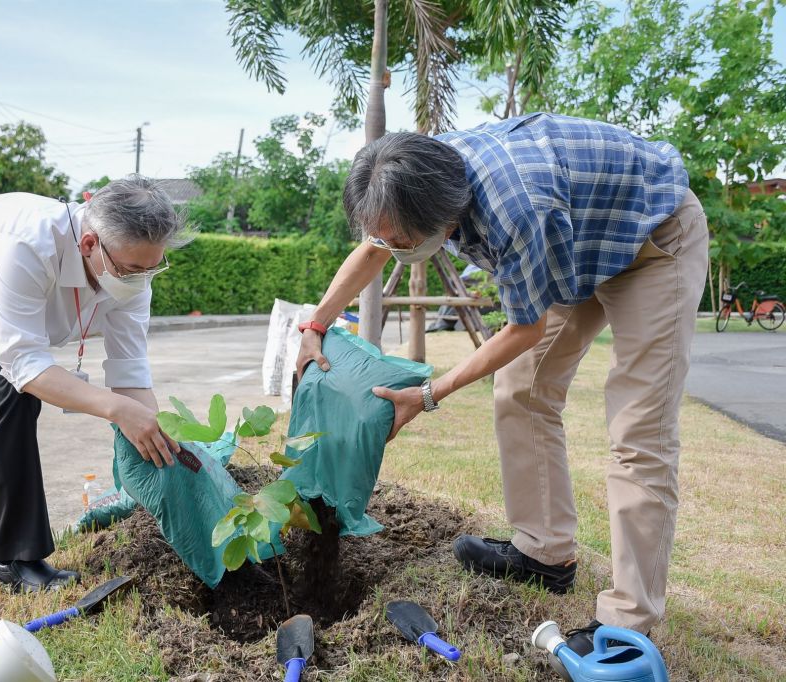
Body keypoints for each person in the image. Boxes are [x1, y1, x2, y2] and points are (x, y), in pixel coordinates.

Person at [295, 113, 707, 654]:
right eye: (384, 233)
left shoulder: (514, 209)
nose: (391, 245)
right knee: (522, 391)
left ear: (445, 218)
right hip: (575, 242)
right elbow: (375, 245)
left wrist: (427, 395)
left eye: (403, 239)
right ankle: (545, 554)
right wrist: (316, 324)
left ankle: (627, 626)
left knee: (639, 429)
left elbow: (524, 328)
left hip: (653, 236)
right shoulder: (410, 172)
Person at [0, 176, 193, 602]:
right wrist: (118, 411)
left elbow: (131, 369)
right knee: (8, 399)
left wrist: (154, 432)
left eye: (152, 267)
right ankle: (12, 562)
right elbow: (24, 365)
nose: (141, 279)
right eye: (133, 269)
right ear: (88, 244)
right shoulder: (25, 242)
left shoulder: (130, 269)